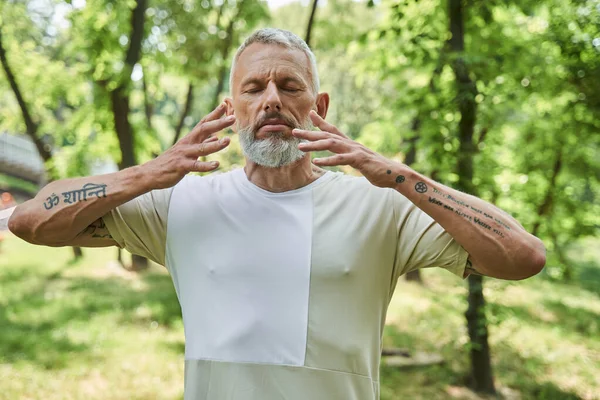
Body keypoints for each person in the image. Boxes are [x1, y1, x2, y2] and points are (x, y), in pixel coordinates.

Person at [7, 28, 545, 400]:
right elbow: (30, 222)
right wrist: (148, 172)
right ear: (230, 108)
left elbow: (523, 257)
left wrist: (397, 175)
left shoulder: (381, 206)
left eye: (290, 86)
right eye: (253, 88)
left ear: (320, 106)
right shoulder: (178, 203)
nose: (271, 100)